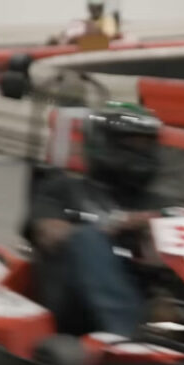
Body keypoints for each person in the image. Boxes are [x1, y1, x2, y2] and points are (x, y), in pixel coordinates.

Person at [24, 102, 164, 337]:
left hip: (147, 305)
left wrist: (155, 231)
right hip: (74, 308)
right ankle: (127, 335)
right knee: (87, 239)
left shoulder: (158, 204)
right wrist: (115, 224)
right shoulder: (63, 189)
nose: (141, 152)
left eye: (147, 145)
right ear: (102, 143)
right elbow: (48, 233)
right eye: (132, 143)